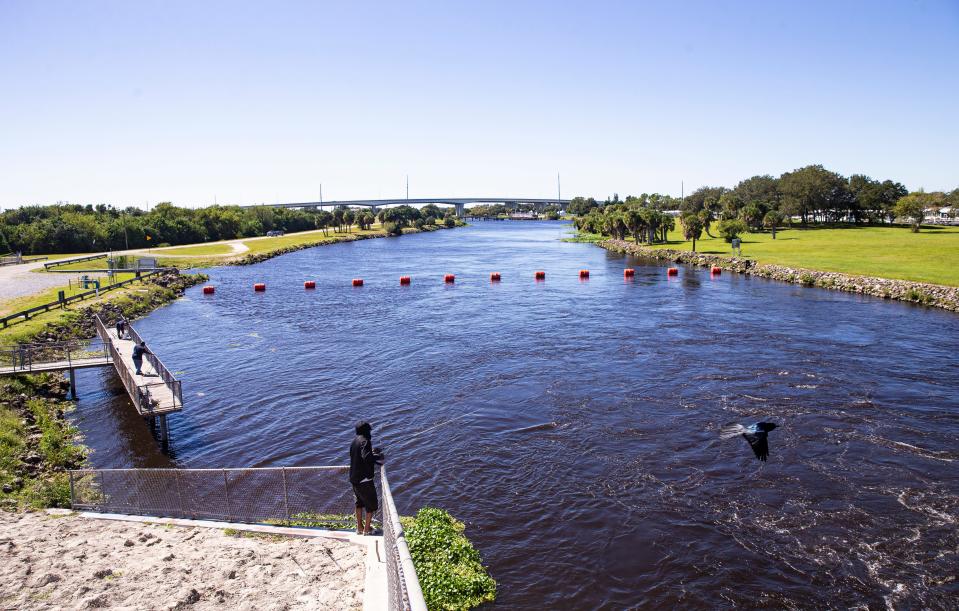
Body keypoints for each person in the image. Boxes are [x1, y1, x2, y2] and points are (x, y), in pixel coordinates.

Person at [349, 421, 383, 535]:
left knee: (359, 503)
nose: (370, 433)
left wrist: (372, 453)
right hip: (364, 480)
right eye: (369, 430)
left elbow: (359, 455)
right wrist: (376, 457)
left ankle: (359, 527)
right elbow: (366, 457)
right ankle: (367, 529)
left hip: (354, 478)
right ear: (366, 431)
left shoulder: (354, 441)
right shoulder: (365, 441)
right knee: (371, 504)